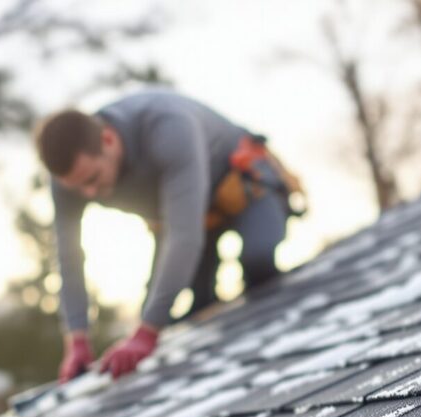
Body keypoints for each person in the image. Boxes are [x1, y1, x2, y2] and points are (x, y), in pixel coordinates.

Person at [37, 91, 303, 383]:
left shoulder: (167, 127)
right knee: (183, 310)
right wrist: (76, 338)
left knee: (258, 259)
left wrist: (147, 332)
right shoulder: (69, 178)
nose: (87, 194)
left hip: (245, 189)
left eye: (93, 179)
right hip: (189, 220)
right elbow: (69, 257)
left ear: (109, 140)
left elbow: (184, 237)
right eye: (77, 188)